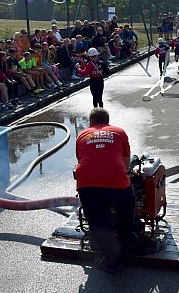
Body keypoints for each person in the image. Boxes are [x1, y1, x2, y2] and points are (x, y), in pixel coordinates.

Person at [75, 107, 136, 273]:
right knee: (127, 207)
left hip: (87, 183)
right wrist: (125, 176)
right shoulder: (118, 131)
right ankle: (128, 240)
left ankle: (110, 260)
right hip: (115, 179)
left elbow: (82, 159)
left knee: (98, 220)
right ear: (107, 121)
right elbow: (125, 160)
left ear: (91, 122)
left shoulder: (82, 134)